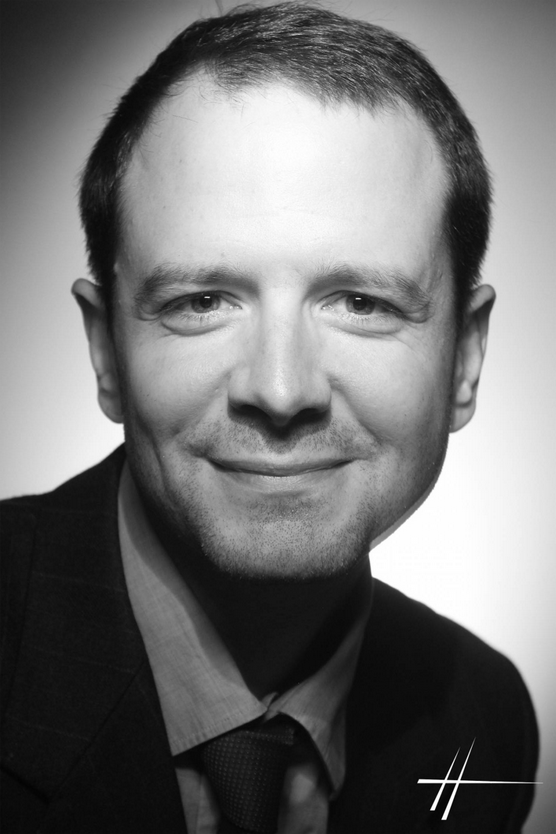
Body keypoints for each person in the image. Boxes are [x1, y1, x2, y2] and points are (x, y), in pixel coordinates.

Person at [0, 3, 538, 832]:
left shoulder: (484, 718)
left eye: (360, 302)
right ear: (106, 352)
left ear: (464, 359)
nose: (281, 391)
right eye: (203, 301)